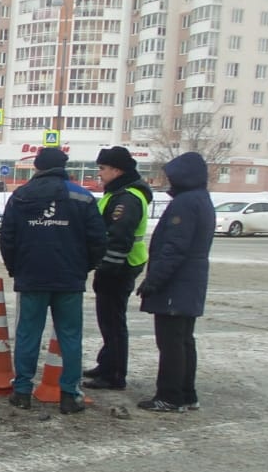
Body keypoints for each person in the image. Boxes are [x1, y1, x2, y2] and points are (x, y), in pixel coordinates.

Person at [0, 147, 106, 414]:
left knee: (28, 334)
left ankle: (22, 391)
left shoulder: (20, 196)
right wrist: (85, 267)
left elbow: (7, 238)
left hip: (32, 276)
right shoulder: (82, 197)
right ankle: (69, 395)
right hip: (69, 278)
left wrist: (16, 269)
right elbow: (98, 239)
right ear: (64, 166)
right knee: (70, 336)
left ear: (37, 167)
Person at [136, 151, 214, 413]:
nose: (168, 181)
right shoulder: (201, 199)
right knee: (183, 340)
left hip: (176, 285)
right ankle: (186, 394)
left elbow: (174, 248)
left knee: (170, 343)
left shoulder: (185, 203)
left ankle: (169, 396)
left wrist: (153, 281)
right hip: (190, 283)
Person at [83, 146, 152, 397]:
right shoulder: (119, 193)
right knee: (108, 319)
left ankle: (114, 375)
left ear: (116, 170)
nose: (99, 173)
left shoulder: (127, 198)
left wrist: (106, 269)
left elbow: (118, 238)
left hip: (120, 267)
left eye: (102, 169)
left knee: (113, 320)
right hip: (118, 265)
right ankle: (106, 364)